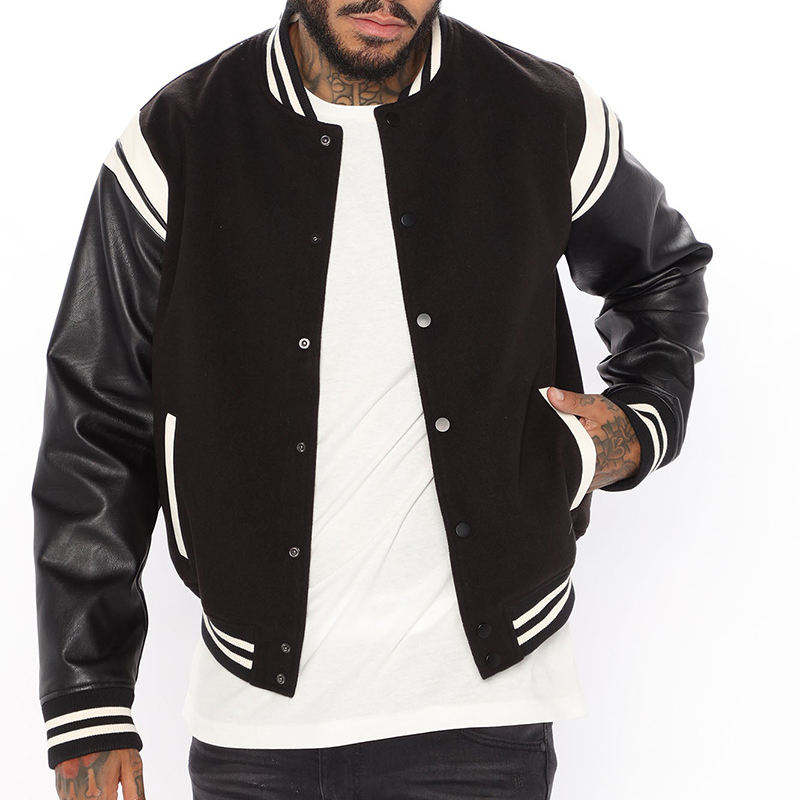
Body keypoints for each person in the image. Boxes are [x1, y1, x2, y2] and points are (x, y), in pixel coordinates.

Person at [32, 1, 712, 797]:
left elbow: (661, 272)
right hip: (253, 719)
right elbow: (97, 415)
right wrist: (88, 696)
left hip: (481, 716)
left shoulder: (539, 111)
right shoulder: (179, 138)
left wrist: (639, 425)